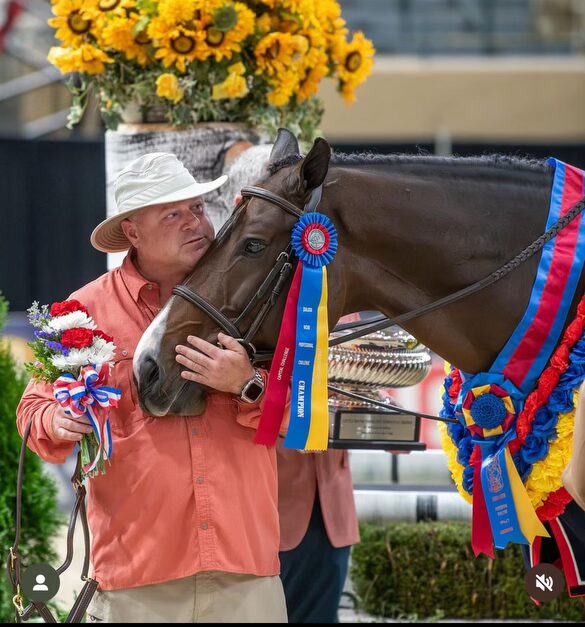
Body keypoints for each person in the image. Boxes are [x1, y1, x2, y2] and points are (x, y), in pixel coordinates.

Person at [16, 152, 288, 623]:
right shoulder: (83, 311)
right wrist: (57, 419)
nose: (196, 223)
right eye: (173, 214)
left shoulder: (255, 297)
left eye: (198, 209)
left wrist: (246, 384)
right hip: (138, 576)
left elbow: (299, 414)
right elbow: (32, 413)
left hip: (244, 567)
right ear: (133, 232)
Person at [223, 144, 360, 623]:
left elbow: (359, 388)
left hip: (331, 514)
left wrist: (376, 412)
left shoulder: (337, 286)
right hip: (268, 510)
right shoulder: (243, 294)